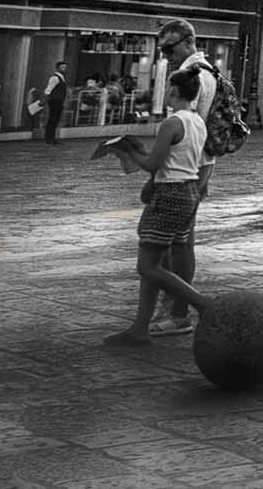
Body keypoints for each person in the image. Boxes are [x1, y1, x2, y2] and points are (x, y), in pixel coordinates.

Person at [101, 65, 212, 346]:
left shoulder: (172, 123)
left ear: (173, 91)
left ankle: (201, 303)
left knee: (147, 266)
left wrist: (129, 151)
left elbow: (153, 163)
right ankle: (140, 328)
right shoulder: (197, 121)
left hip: (170, 194)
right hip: (189, 191)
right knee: (158, 260)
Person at [41, 60, 68, 145]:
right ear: (57, 68)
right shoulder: (55, 78)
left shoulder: (62, 77)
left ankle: (52, 137)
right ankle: (49, 138)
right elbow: (48, 90)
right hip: (54, 101)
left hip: (59, 101)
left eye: (65, 67)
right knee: (52, 119)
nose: (64, 69)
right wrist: (44, 100)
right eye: (62, 67)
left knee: (55, 120)